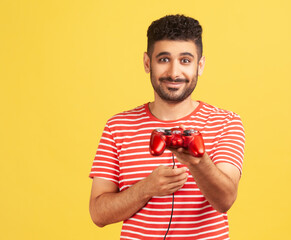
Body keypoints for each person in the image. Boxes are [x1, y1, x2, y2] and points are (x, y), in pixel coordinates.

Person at [89, 14, 245, 239]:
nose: (174, 72)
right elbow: (98, 214)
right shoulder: (118, 126)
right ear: (146, 63)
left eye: (185, 60)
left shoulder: (226, 122)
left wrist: (197, 162)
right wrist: (146, 188)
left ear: (199, 66)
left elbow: (225, 200)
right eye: (163, 59)